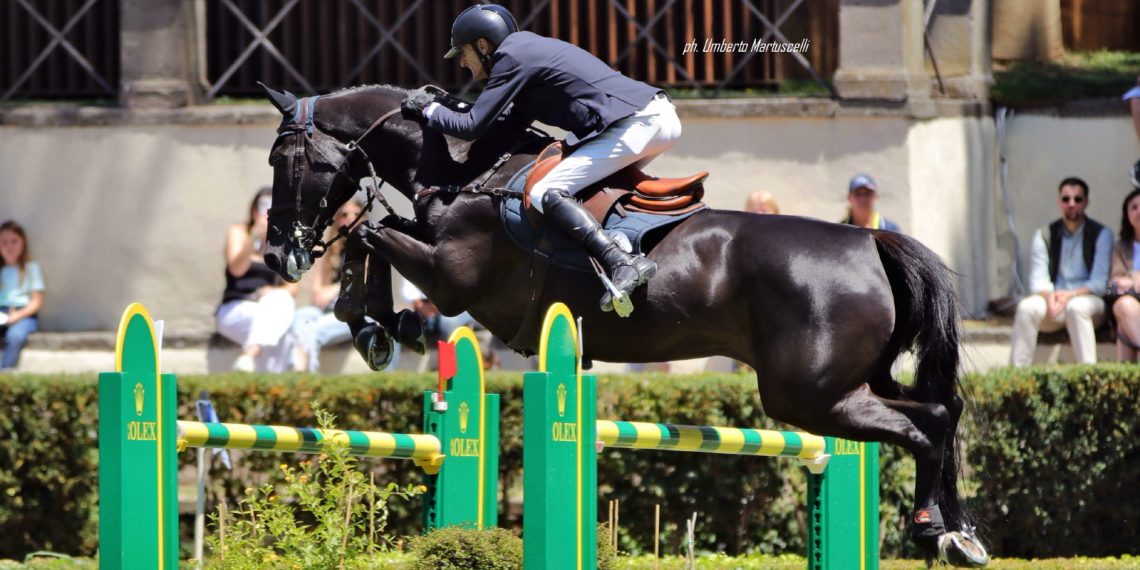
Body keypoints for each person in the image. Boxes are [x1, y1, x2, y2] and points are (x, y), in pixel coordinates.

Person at [400, 3, 680, 313]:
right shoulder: (523, 57)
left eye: (463, 53)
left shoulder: (511, 56)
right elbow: (500, 128)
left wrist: (430, 110)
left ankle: (622, 262)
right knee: (582, 192)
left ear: (483, 45)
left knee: (544, 191)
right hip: (648, 117)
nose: (463, 63)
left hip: (636, 122)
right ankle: (615, 248)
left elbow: (471, 126)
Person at [1009, 177, 1113, 366]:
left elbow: (1098, 284)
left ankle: (1088, 376)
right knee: (1026, 307)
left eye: (1077, 199)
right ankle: (1017, 377)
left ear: (1086, 202)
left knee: (1077, 307)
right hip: (1054, 301)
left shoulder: (1102, 234)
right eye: (1066, 199)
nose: (1071, 204)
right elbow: (1038, 281)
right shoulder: (1044, 234)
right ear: (1059, 202)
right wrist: (1051, 297)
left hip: (1089, 302)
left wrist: (1070, 295)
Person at [293, 198, 391, 372]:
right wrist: (330, 291)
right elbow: (317, 291)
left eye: (356, 215)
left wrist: (333, 290)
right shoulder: (330, 249)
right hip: (327, 310)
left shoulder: (369, 248)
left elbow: (364, 285)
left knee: (311, 332)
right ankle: (297, 370)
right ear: (337, 220)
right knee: (301, 317)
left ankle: (305, 380)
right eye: (345, 215)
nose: (350, 219)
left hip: (354, 313)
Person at [216, 187, 300, 372]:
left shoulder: (281, 244)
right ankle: (274, 382)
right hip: (236, 306)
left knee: (280, 304)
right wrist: (255, 236)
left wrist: (274, 292)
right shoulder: (239, 232)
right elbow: (237, 269)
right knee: (280, 328)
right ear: (254, 210)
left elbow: (293, 287)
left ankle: (250, 359)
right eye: (263, 206)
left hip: (267, 304)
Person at [0, 221, 44, 372]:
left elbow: (36, 301)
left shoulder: (31, 268)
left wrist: (18, 315)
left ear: (23, 242)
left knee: (16, 336)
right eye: (4, 242)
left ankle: (4, 375)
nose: (9, 246)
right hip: (2, 312)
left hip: (24, 314)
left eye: (14, 241)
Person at [1107, 188, 1140, 361]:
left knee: (1124, 327)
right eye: (1133, 207)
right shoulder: (1121, 247)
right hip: (1132, 303)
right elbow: (1115, 280)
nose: (1139, 211)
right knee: (1124, 306)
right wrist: (1134, 276)